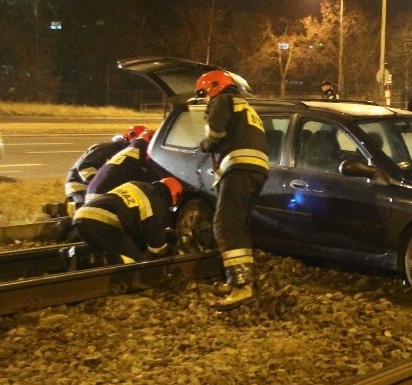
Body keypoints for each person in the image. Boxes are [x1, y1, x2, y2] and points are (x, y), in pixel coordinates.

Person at [195, 69, 270, 310]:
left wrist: (206, 144)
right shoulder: (245, 106)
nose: (206, 100)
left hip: (238, 168)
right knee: (239, 226)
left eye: (205, 94)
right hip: (256, 170)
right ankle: (238, 279)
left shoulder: (223, 100)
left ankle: (242, 287)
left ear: (213, 88)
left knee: (225, 225)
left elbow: (216, 131)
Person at [69, 178, 182, 266]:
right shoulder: (157, 203)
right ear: (174, 196)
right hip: (105, 221)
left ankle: (74, 254)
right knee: (133, 261)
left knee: (101, 251)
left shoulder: (136, 185)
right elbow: (156, 245)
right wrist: (171, 250)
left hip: (81, 217)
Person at [46, 124, 150, 217]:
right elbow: (84, 166)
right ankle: (60, 210)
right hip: (79, 184)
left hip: (93, 186)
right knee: (95, 208)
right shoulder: (108, 149)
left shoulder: (125, 153)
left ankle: (63, 211)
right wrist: (96, 184)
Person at [85, 129, 155, 201]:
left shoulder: (128, 152)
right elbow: (146, 177)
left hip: (94, 193)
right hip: (103, 196)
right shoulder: (139, 151)